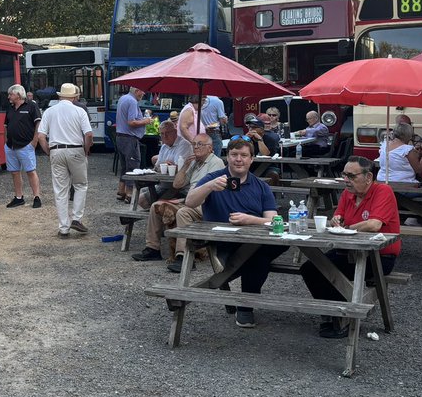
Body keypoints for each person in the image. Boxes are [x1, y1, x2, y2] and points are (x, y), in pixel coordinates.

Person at [301, 156, 401, 339]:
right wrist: (336, 220)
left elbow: (374, 224)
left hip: (378, 256)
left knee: (322, 269)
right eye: (344, 175)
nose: (346, 180)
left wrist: (346, 228)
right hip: (348, 251)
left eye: (351, 176)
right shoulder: (348, 193)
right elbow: (338, 216)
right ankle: (335, 314)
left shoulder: (383, 191)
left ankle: (340, 318)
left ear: (368, 177)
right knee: (310, 268)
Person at [184, 135, 278, 328]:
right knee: (259, 258)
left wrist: (251, 220)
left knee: (263, 252)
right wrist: (209, 186)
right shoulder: (215, 178)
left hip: (256, 239)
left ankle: (243, 304)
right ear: (228, 157)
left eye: (244, 155)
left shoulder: (261, 186)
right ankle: (245, 308)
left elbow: (273, 220)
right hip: (223, 241)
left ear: (252, 159)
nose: (238, 159)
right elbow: (190, 202)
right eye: (234, 154)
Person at [132, 134, 225, 268]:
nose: (195, 147)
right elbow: (177, 184)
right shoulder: (194, 162)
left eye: (200, 144)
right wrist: (185, 166)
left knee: (183, 212)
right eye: (194, 144)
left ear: (210, 148)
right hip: (189, 199)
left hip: (205, 203)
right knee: (155, 206)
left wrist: (185, 200)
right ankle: (152, 248)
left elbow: (213, 192)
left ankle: (183, 256)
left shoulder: (216, 163)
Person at [37, 83, 94, 238]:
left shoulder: (49, 111)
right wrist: (86, 149)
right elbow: (89, 135)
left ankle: (63, 227)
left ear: (60, 95)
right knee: (80, 185)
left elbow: (41, 136)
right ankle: (76, 218)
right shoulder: (79, 111)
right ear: (74, 97)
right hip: (76, 149)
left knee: (60, 190)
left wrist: (48, 151)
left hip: (56, 150)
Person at [4, 84, 43, 208]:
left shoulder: (32, 106)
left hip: (26, 145)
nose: (9, 97)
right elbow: (6, 125)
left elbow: (38, 123)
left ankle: (36, 197)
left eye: (11, 94)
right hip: (11, 146)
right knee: (15, 172)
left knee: (30, 171)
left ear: (19, 95)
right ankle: (19, 197)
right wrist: (6, 141)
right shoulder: (10, 108)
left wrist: (34, 141)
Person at [115, 87, 152, 202]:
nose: (143, 93)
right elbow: (131, 122)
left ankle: (121, 191)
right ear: (136, 91)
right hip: (129, 138)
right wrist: (146, 121)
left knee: (125, 166)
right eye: (142, 91)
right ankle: (129, 194)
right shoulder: (132, 101)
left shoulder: (123, 98)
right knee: (133, 165)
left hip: (120, 136)